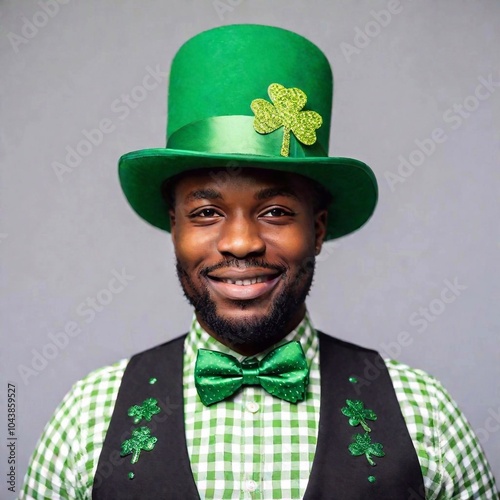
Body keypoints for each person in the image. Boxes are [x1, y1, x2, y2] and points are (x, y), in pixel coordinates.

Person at [20, 24, 498, 500]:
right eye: (206, 212)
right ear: (175, 228)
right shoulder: (86, 418)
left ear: (318, 229)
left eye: (275, 212)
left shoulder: (427, 416)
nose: (242, 242)